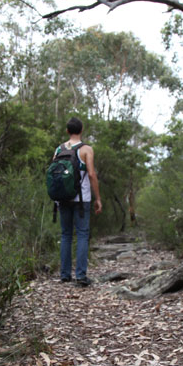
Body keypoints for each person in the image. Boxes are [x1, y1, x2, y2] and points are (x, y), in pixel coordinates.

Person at [54, 117, 102, 286]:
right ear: (81, 130)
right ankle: (81, 276)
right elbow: (91, 174)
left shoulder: (59, 149)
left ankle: (65, 275)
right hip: (82, 199)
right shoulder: (86, 149)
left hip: (62, 198)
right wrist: (98, 198)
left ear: (67, 131)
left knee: (66, 234)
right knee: (82, 234)